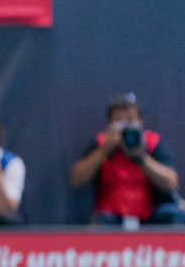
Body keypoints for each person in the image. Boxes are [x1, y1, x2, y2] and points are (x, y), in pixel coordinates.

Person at [69, 92, 184, 227]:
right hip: (110, 217)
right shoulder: (100, 145)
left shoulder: (153, 144)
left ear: (140, 122)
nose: (125, 128)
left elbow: (171, 182)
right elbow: (76, 180)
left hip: (150, 216)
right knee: (99, 224)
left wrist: (141, 157)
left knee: (174, 215)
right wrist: (104, 150)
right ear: (110, 125)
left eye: (130, 121)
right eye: (119, 121)